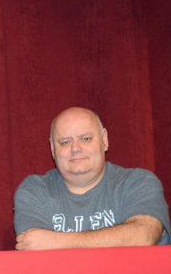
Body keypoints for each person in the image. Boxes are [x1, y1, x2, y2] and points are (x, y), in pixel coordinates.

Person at [14, 107, 170, 250]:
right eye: (65, 142)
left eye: (86, 138)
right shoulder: (34, 190)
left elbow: (143, 237)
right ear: (53, 149)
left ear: (104, 140)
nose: (75, 148)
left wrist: (56, 242)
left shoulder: (138, 182)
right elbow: (33, 249)